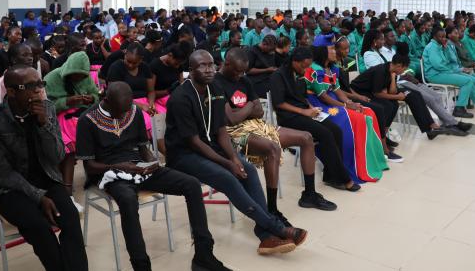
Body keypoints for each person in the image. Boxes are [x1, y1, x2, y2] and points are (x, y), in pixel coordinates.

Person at [166, 50, 308, 255]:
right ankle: (277, 228)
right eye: (202, 66)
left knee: (247, 168)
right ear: (190, 70)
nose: (209, 69)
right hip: (184, 155)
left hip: (210, 147)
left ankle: (265, 235)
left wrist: (233, 157)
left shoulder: (214, 87)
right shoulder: (180, 98)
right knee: (229, 177)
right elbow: (194, 142)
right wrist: (228, 163)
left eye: (211, 64)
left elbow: (221, 129)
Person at [76, 82, 230, 271]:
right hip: (108, 172)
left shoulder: (133, 111)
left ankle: (203, 255)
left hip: (139, 167)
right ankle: (141, 265)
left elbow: (143, 149)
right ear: (106, 100)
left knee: (191, 184)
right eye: (120, 111)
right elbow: (90, 167)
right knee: (127, 199)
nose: (125, 114)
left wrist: (152, 162)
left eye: (127, 109)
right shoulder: (87, 120)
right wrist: (118, 166)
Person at [0, 65, 88, 270]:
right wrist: (38, 197)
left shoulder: (47, 109)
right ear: (11, 91)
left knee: (70, 217)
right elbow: (1, 173)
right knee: (39, 227)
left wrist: (43, 124)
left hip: (45, 177)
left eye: (40, 84)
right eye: (30, 86)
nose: (38, 90)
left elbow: (57, 156)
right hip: (9, 189)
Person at [216, 48, 336, 222]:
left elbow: (258, 112)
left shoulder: (244, 79)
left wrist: (245, 109)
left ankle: (309, 195)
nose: (240, 75)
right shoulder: (216, 83)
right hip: (232, 134)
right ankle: (272, 209)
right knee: (272, 149)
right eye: (236, 71)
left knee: (306, 138)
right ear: (226, 63)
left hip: (257, 125)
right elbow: (231, 120)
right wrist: (249, 106)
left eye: (243, 71)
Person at [270, 47, 360, 191]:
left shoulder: (298, 74)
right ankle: (343, 178)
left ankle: (331, 176)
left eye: (308, 66)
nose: (306, 69)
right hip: (289, 117)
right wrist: (304, 112)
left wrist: (311, 108)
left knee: (336, 130)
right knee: (326, 134)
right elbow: (279, 103)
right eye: (303, 66)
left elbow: (303, 97)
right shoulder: (278, 76)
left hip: (304, 112)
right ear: (295, 61)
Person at [306, 40, 390, 179]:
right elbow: (323, 97)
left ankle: (368, 160)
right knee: (354, 118)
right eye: (332, 49)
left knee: (367, 111)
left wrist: (350, 102)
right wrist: (345, 106)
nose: (335, 52)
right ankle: (350, 163)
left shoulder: (333, 68)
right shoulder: (315, 69)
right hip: (321, 105)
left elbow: (338, 91)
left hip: (334, 101)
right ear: (322, 52)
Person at [44, 51, 99, 209]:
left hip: (82, 117)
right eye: (76, 75)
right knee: (69, 148)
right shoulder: (52, 79)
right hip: (58, 119)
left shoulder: (86, 78)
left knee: (101, 135)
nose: (79, 79)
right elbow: (45, 107)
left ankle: (98, 175)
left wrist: (91, 99)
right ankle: (67, 193)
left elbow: (95, 94)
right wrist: (66, 101)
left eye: (82, 76)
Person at [423, 26, 475, 118]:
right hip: (435, 75)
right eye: (440, 37)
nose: (443, 39)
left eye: (444, 36)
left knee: (471, 79)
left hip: (445, 72)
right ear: (434, 36)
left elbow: (449, 60)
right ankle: (460, 108)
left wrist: (446, 49)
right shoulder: (432, 47)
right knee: (468, 81)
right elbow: (438, 65)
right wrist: (456, 70)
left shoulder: (440, 46)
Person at [106, 43, 156, 136]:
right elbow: (115, 95)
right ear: (125, 54)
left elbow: (151, 91)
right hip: (125, 105)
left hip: (145, 103)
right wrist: (141, 106)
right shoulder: (116, 67)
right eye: (128, 61)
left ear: (141, 59)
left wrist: (151, 104)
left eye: (134, 63)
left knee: (161, 119)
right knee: (150, 124)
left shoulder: (145, 67)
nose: (130, 65)